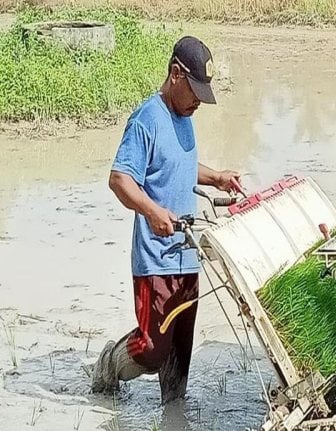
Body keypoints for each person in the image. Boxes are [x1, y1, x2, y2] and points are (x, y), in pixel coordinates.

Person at [90, 36, 240, 403]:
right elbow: (120, 179)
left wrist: (215, 176)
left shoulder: (184, 117)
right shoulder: (147, 119)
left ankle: (174, 416)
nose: (198, 104)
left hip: (187, 255)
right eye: (195, 93)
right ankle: (109, 363)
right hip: (155, 258)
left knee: (179, 352)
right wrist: (152, 211)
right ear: (176, 73)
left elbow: (178, 166)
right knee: (152, 349)